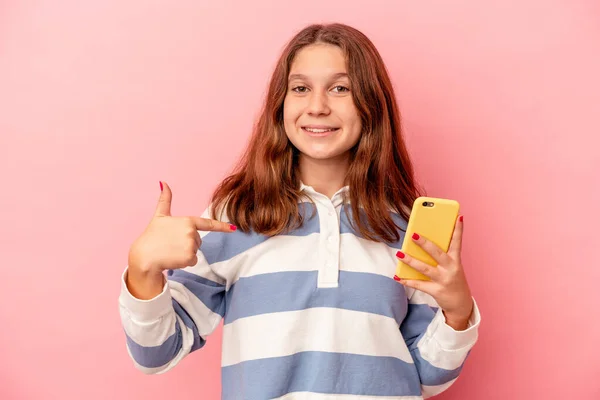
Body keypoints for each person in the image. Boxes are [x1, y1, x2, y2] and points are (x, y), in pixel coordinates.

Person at [118, 22, 481, 399]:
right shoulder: (238, 213)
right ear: (281, 103)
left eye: (341, 88)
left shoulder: (408, 226)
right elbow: (156, 354)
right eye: (301, 88)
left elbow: (427, 377)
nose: (318, 106)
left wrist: (458, 313)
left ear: (371, 104)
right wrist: (143, 272)